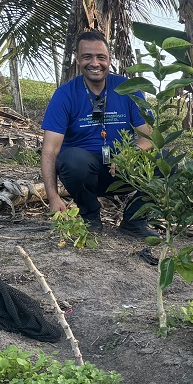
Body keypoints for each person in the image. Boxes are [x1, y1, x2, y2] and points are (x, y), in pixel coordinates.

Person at [41, 30, 154, 238]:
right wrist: (53, 197)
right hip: (85, 173)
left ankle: (134, 221)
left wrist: (129, 153)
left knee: (165, 161)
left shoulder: (129, 89)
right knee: (71, 159)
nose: (95, 63)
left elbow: (148, 138)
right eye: (87, 57)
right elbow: (50, 150)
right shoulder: (65, 94)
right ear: (77, 59)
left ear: (109, 59)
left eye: (101, 57)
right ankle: (90, 216)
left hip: (123, 170)